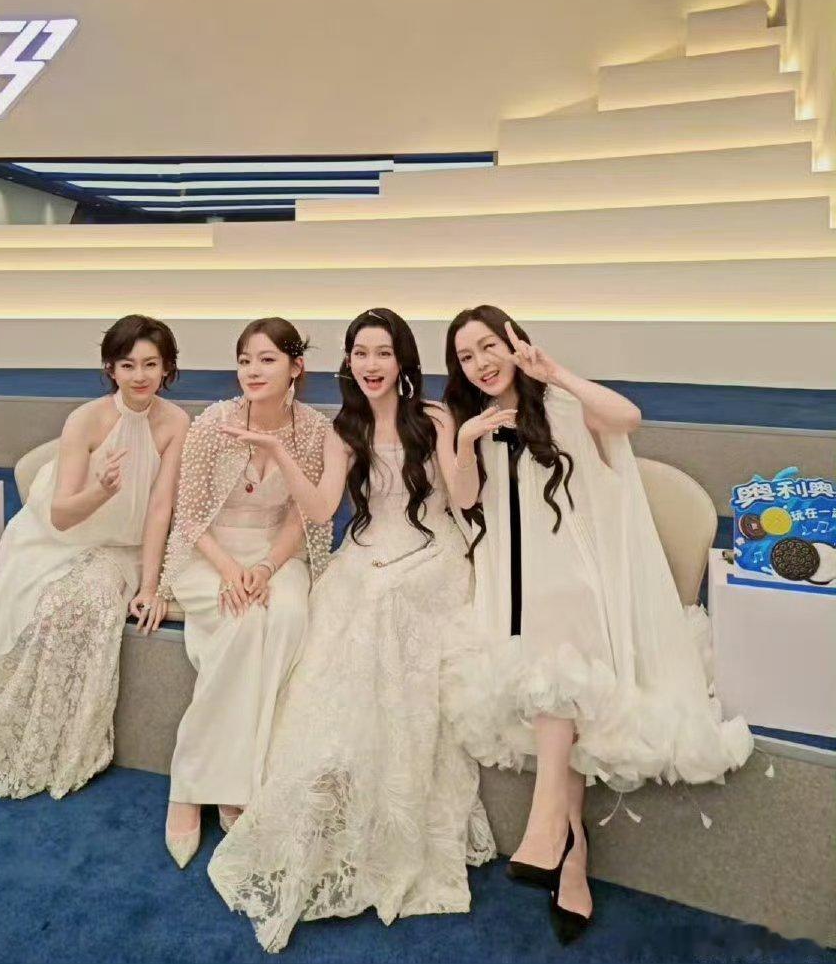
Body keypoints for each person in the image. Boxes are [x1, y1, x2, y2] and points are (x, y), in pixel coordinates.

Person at [440, 305, 754, 942]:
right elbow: (465, 499)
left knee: (559, 631)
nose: (480, 364)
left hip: (578, 574)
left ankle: (547, 828)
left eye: (489, 346)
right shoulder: (474, 423)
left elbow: (628, 418)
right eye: (466, 357)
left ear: (515, 344)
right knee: (553, 652)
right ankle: (570, 845)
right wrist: (466, 440)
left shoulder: (560, 404)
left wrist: (555, 373)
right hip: (512, 584)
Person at [208, 307, 494, 953]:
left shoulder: (435, 418)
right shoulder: (345, 430)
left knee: (386, 600)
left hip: (432, 552)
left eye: (382, 352)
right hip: (367, 549)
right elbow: (320, 510)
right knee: (348, 598)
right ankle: (329, 787)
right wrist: (280, 452)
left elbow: (463, 498)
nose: (371, 364)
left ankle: (392, 805)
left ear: (403, 360)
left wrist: (464, 441)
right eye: (360, 353)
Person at [0, 314, 189, 801]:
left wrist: (150, 586)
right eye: (128, 365)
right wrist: (102, 490)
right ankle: (18, 729)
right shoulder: (85, 419)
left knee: (88, 603)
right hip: (58, 536)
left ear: (167, 368)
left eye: (151, 364)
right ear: (110, 368)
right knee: (47, 605)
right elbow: (60, 515)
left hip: (124, 547)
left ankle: (66, 740)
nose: (140, 375)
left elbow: (160, 508)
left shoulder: (176, 422)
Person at [158, 318, 333, 869]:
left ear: (296, 367)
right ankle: (192, 786)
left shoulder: (314, 431)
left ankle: (243, 774)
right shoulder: (213, 423)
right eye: (245, 360)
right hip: (209, 553)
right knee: (246, 622)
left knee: (287, 618)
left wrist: (264, 566)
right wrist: (231, 569)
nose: (253, 371)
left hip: (278, 553)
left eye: (267, 359)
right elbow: (190, 517)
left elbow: (302, 517)